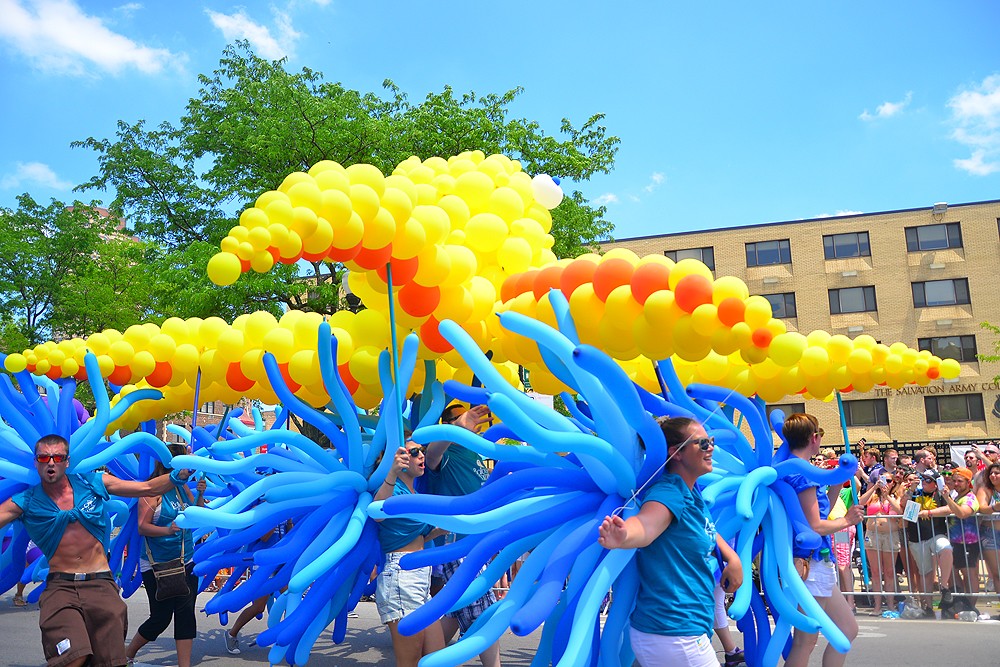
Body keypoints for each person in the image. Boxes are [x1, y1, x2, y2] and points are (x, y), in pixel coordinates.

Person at [0, 434, 193, 667]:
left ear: (67, 461)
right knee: (73, 657)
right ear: (36, 462)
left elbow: (147, 487)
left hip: (100, 583)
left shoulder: (93, 483)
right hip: (61, 587)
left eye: (57, 457)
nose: (51, 462)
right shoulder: (26, 501)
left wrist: (178, 475)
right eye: (44, 457)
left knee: (109, 661)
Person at [598, 417, 742, 667]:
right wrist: (624, 535)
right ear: (676, 453)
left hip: (671, 632)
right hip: (675, 633)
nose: (711, 448)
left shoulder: (689, 491)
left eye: (711, 441)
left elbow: (704, 529)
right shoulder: (669, 492)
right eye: (702, 443)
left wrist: (732, 557)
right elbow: (647, 524)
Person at [781, 414, 863, 667]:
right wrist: (848, 520)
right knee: (805, 641)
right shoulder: (802, 474)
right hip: (810, 563)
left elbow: (817, 516)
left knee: (846, 629)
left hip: (816, 561)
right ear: (814, 438)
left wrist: (835, 483)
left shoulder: (796, 468)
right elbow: (815, 526)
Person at [425, 402, 501, 667]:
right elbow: (431, 454)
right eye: (460, 418)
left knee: (457, 611)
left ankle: (424, 657)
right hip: (457, 545)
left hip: (478, 544)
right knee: (484, 614)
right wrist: (457, 428)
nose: (472, 420)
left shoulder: (476, 452)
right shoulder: (447, 451)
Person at [125, 450, 207, 667]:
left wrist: (200, 494)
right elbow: (142, 527)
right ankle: (128, 654)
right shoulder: (152, 490)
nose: (187, 471)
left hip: (185, 560)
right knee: (160, 617)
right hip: (157, 564)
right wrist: (167, 530)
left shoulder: (182, 488)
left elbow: (196, 516)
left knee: (185, 613)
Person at [374, 438, 447, 667]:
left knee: (438, 658)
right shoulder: (392, 488)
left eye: (421, 451)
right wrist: (391, 473)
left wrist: (440, 529)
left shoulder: (414, 492)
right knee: (409, 660)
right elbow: (378, 513)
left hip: (420, 577)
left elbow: (417, 537)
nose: (421, 455)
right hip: (401, 577)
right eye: (414, 452)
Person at [903, 472, 955, 616]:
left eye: (928, 479)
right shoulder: (915, 493)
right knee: (925, 572)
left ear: (935, 483)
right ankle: (928, 607)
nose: (924, 481)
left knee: (946, 548)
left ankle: (944, 587)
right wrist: (911, 490)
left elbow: (949, 508)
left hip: (936, 534)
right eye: (923, 479)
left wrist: (929, 512)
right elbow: (906, 510)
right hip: (917, 537)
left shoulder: (941, 494)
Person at [863, 470, 902, 615]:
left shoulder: (896, 496)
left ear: (893, 483)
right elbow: (860, 502)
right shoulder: (873, 496)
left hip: (890, 535)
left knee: (889, 572)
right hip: (873, 534)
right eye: (882, 480)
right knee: (875, 572)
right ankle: (877, 606)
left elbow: (899, 511)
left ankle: (891, 605)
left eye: (889, 480)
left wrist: (887, 496)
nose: (886, 483)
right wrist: (874, 487)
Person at [945, 467, 980, 602]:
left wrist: (947, 499)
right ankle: (960, 602)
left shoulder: (970, 498)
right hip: (954, 542)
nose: (956, 484)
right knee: (952, 572)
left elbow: (962, 513)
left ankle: (971, 606)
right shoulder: (956, 496)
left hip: (968, 543)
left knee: (969, 575)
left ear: (968, 482)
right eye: (954, 481)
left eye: (960, 481)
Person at [975, 462, 1000, 601]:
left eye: (997, 473)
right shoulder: (985, 490)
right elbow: (982, 508)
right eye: (991, 473)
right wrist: (995, 507)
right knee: (997, 573)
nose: (993, 475)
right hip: (990, 534)